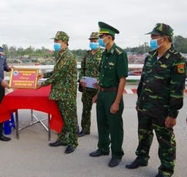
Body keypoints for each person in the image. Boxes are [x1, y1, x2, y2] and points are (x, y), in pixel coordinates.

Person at [126, 23, 186, 177]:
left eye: (154, 37)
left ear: (164, 38)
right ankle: (142, 157)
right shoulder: (151, 57)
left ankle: (166, 169)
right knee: (143, 134)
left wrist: (173, 114)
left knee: (165, 140)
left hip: (162, 109)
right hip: (145, 106)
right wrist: (139, 102)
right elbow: (143, 81)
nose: (151, 40)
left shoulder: (177, 59)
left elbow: (177, 89)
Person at [89, 22, 128, 167]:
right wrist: (98, 94)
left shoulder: (119, 54)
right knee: (102, 123)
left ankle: (117, 154)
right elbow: (103, 77)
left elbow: (122, 79)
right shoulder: (105, 53)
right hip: (103, 94)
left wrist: (117, 102)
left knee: (115, 126)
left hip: (113, 94)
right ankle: (103, 148)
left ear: (110, 37)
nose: (100, 39)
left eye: (102, 36)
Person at [37, 31, 78, 154]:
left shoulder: (68, 56)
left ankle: (73, 142)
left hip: (67, 93)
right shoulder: (60, 55)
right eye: (54, 41)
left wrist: (42, 84)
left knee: (70, 119)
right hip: (60, 92)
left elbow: (58, 75)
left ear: (65, 43)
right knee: (62, 117)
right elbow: (56, 71)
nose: (55, 44)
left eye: (57, 41)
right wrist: (44, 74)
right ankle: (62, 139)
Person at [78, 32, 103, 137]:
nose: (93, 42)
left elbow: (106, 72)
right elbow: (82, 69)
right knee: (86, 109)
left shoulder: (104, 54)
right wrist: (80, 79)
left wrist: (100, 82)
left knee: (101, 111)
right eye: (91, 41)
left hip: (99, 87)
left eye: (95, 41)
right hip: (87, 87)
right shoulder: (87, 54)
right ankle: (85, 129)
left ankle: (103, 132)